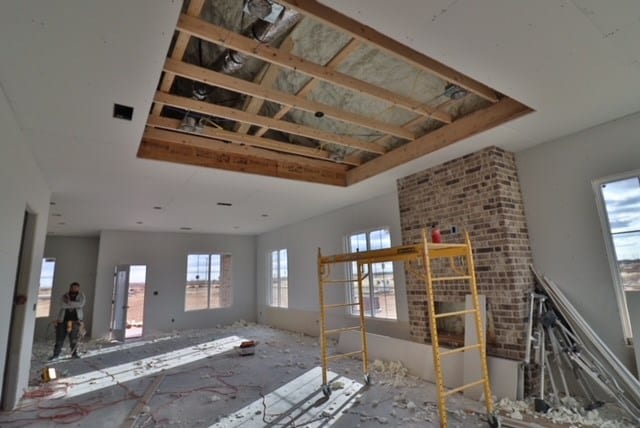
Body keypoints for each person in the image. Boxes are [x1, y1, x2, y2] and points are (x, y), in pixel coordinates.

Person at [49, 282, 86, 360]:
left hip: (75, 320)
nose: (74, 289)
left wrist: (69, 303)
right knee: (59, 338)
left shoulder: (81, 295)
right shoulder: (65, 296)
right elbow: (62, 305)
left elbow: (81, 304)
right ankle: (56, 354)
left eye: (76, 287)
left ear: (78, 288)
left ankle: (74, 354)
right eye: (73, 287)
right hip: (63, 320)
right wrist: (74, 304)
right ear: (70, 288)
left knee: (74, 338)